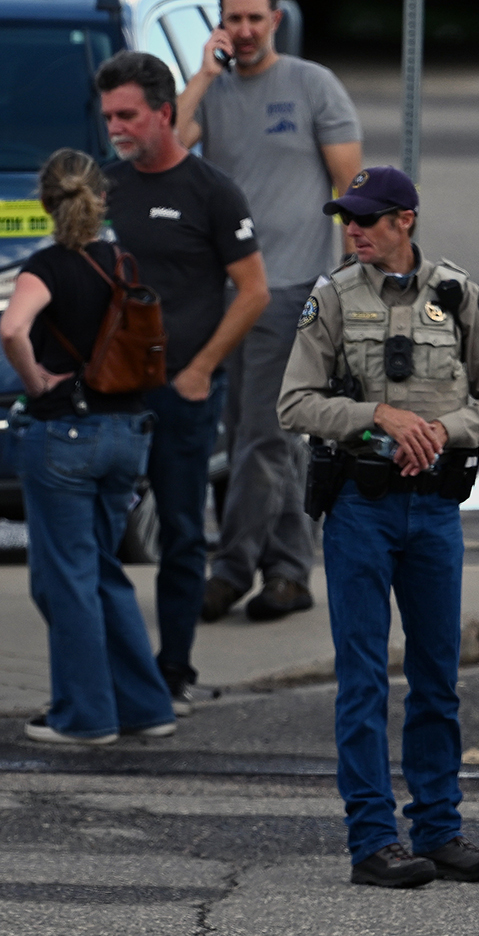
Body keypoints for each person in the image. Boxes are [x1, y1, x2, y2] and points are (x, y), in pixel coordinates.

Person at [277, 166, 479, 886]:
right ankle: (372, 841)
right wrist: (375, 416)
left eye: (366, 218)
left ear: (404, 221)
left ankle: (440, 830)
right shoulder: (331, 297)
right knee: (362, 680)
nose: (352, 230)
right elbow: (293, 404)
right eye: (346, 219)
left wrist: (442, 431)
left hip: (436, 508)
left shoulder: (456, 293)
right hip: (361, 506)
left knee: (437, 677)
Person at [174, 0, 363, 624]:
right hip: (224, 291)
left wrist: (346, 287)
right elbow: (170, 145)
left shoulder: (312, 85)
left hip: (290, 290)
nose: (246, 30)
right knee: (258, 437)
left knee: (262, 435)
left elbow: (351, 187)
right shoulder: (213, 91)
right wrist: (201, 76)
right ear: (220, 25)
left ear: (276, 20)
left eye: (256, 17)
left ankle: (230, 568)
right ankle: (287, 571)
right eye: (234, 18)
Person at [96, 51, 271, 717]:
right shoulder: (105, 189)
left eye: (128, 115)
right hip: (113, 394)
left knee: (179, 530)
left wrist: (202, 369)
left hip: (184, 392)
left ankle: (173, 671)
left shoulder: (211, 191)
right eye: (109, 115)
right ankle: (115, 669)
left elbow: (253, 292)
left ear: (164, 113)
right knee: (102, 533)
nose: (115, 126)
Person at [0, 150, 174, 745]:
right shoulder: (120, 262)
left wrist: (35, 380)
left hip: (64, 436)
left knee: (66, 577)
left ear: (46, 204)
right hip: (127, 433)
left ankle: (85, 716)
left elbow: (11, 329)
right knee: (103, 569)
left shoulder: (43, 268)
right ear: (100, 198)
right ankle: (146, 706)